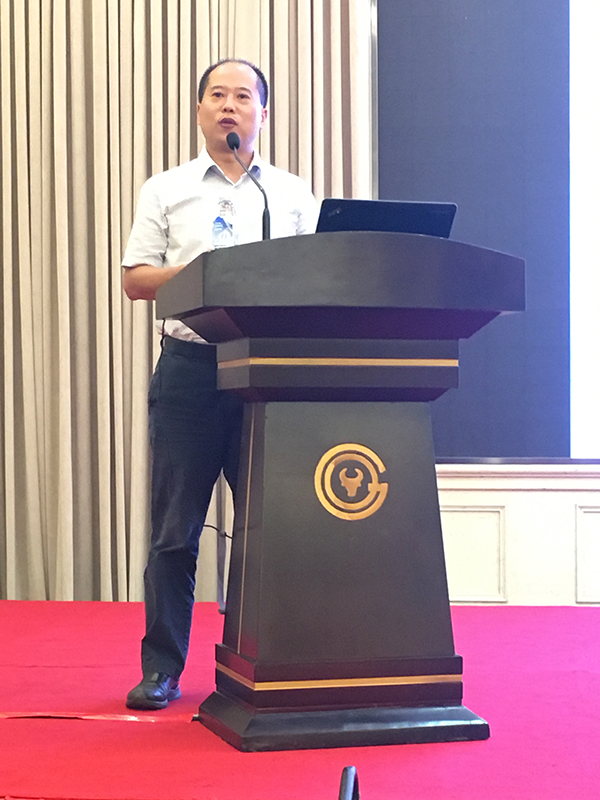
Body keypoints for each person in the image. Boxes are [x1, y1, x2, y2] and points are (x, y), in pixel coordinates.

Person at [122, 59, 319, 710]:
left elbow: (317, 275)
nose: (229, 106)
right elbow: (136, 279)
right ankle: (162, 669)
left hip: (268, 374)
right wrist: (203, 272)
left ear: (263, 113)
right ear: (200, 110)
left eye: (242, 96)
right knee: (174, 530)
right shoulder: (167, 189)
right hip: (191, 373)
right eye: (217, 95)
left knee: (271, 529)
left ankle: (269, 660)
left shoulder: (288, 194)